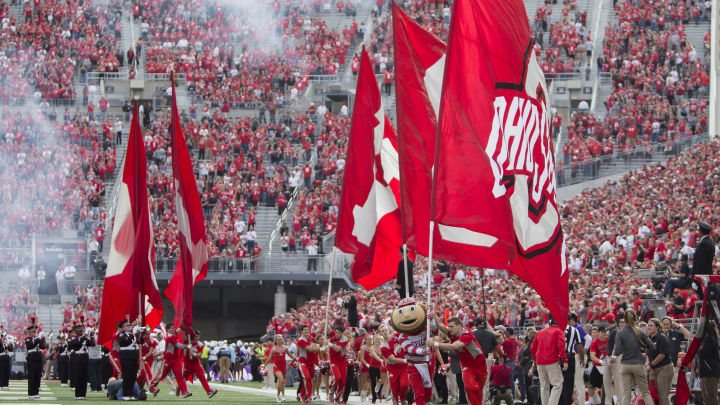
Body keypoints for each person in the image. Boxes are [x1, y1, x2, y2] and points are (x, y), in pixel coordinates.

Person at [433, 317, 488, 405]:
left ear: (459, 326)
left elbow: (454, 347)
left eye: (451, 326)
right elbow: (440, 325)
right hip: (467, 366)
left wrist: (435, 344)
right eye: (449, 327)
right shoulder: (454, 333)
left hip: (480, 366)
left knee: (478, 391)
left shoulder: (466, 335)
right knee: (470, 386)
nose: (449, 329)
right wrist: (433, 314)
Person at [611, 309, 655, 405]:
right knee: (645, 393)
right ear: (635, 319)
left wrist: (617, 353)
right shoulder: (640, 331)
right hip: (638, 364)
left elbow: (617, 351)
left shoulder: (620, 333)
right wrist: (644, 353)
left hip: (625, 364)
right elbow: (652, 346)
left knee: (626, 393)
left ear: (625, 320)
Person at [530, 317, 567, 405]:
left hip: (539, 361)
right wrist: (564, 361)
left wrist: (535, 360)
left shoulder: (540, 332)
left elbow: (532, 348)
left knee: (544, 386)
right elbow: (561, 347)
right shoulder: (558, 331)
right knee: (557, 385)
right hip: (552, 361)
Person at [150, 326, 192, 398]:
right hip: (167, 360)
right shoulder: (170, 337)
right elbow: (178, 345)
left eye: (173, 328)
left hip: (176, 360)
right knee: (162, 376)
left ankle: (185, 392)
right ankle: (152, 385)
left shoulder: (172, 335)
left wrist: (185, 324)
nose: (173, 329)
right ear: (167, 330)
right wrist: (188, 346)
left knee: (180, 376)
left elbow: (179, 329)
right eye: (171, 328)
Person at [378, 324, 409, 405]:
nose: (385, 332)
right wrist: (406, 360)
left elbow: (404, 332)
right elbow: (393, 359)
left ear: (388, 330)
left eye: (386, 330)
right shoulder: (383, 347)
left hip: (403, 367)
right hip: (393, 368)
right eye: (382, 331)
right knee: (395, 389)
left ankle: (402, 398)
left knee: (404, 385)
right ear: (380, 334)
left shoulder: (396, 336)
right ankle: (395, 400)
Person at [646, 318, 673, 405]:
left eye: (651, 325)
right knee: (652, 393)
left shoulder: (662, 338)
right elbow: (647, 353)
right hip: (653, 369)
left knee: (662, 395)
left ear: (657, 327)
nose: (649, 327)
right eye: (648, 325)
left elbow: (662, 355)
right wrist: (647, 362)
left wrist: (650, 365)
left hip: (664, 368)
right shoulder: (648, 338)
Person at [183, 330, 218, 398]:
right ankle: (181, 390)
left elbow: (199, 355)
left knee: (202, 378)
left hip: (196, 364)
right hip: (187, 363)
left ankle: (209, 392)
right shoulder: (188, 341)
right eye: (195, 336)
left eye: (198, 336)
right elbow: (183, 336)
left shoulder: (200, 344)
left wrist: (193, 354)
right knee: (183, 378)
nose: (197, 337)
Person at [264, 334, 296, 403]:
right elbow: (269, 358)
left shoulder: (285, 348)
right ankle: (281, 395)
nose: (280, 341)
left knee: (282, 382)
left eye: (281, 339)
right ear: (276, 341)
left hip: (284, 366)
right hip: (276, 367)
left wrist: (295, 359)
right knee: (281, 380)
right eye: (278, 340)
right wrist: (264, 365)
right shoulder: (273, 349)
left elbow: (290, 355)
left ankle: (279, 395)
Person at [562, 313, 585, 405]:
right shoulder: (574, 330)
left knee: (558, 383)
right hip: (570, 356)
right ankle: (567, 402)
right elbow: (579, 345)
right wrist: (582, 358)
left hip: (558, 357)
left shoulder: (557, 329)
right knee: (569, 383)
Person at [473, 318, 499, 401]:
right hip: (487, 358)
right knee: (485, 381)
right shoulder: (491, 334)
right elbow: (495, 348)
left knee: (474, 380)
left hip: (474, 359)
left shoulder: (473, 333)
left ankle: (474, 400)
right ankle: (483, 400)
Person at [296, 325, 321, 404]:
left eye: (308, 329)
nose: (307, 331)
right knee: (306, 377)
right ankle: (309, 395)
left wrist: (324, 322)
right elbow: (309, 349)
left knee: (308, 379)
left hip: (311, 363)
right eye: (305, 329)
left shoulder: (310, 337)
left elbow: (319, 329)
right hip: (303, 362)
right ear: (301, 331)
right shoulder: (301, 340)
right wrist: (318, 348)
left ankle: (301, 395)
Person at [698, 319, 720, 405]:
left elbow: (702, 353)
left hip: (710, 372)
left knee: (711, 397)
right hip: (706, 372)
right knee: (707, 398)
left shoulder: (710, 340)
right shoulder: (707, 339)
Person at [116, 319, 140, 400]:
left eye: (129, 325)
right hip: (126, 358)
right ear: (122, 328)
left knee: (133, 376)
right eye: (127, 325)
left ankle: (130, 394)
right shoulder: (121, 335)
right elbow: (125, 342)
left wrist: (141, 334)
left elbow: (141, 342)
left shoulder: (132, 335)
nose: (129, 326)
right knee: (127, 376)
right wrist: (133, 333)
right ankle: (126, 394)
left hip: (134, 357)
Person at [603, 313, 621, 405]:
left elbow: (616, 346)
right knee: (606, 381)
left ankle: (620, 402)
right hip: (609, 356)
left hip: (615, 357)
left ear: (607, 321)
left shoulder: (615, 331)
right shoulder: (611, 330)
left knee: (618, 381)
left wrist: (612, 359)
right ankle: (608, 402)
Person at [328, 324, 349, 403]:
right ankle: (331, 391)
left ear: (342, 333)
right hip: (334, 362)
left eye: (339, 333)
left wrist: (329, 344)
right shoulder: (333, 335)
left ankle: (337, 396)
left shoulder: (344, 339)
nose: (337, 334)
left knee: (343, 382)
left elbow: (337, 349)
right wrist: (325, 319)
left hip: (342, 362)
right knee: (337, 378)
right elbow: (327, 327)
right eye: (336, 332)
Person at [25, 323, 46, 399]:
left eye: (35, 331)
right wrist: (39, 338)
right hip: (32, 358)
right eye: (33, 332)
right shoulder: (28, 339)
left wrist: (42, 338)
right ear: (29, 332)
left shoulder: (37, 339)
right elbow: (31, 345)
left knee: (38, 376)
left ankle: (36, 392)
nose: (35, 333)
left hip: (39, 358)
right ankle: (31, 393)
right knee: (32, 376)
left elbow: (43, 347)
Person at [588, 326, 607, 405]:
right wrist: (600, 361)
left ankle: (604, 401)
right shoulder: (594, 342)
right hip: (597, 365)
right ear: (598, 333)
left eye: (604, 332)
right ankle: (591, 402)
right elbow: (592, 356)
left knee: (605, 385)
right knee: (592, 385)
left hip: (606, 365)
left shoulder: (608, 340)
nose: (603, 334)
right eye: (602, 332)